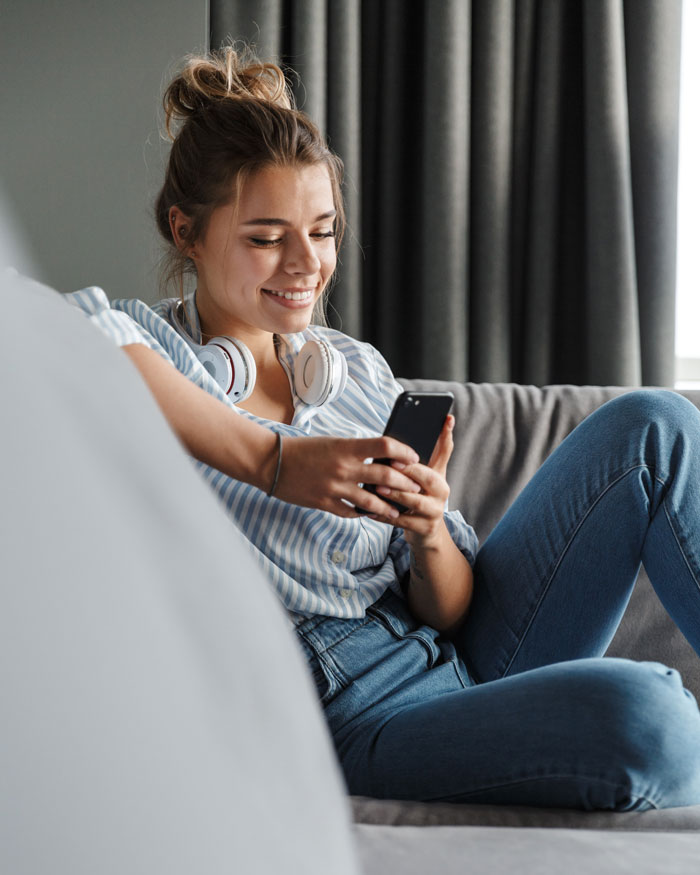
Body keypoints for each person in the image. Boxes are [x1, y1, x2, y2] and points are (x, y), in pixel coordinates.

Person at [69, 47, 700, 811]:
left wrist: (428, 528)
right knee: (654, 718)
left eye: (324, 231)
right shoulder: (156, 355)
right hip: (361, 716)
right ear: (186, 230)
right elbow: (61, 323)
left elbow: (452, 607)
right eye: (267, 237)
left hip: (465, 654)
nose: (306, 264)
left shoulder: (354, 370)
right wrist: (276, 461)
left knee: (654, 424)